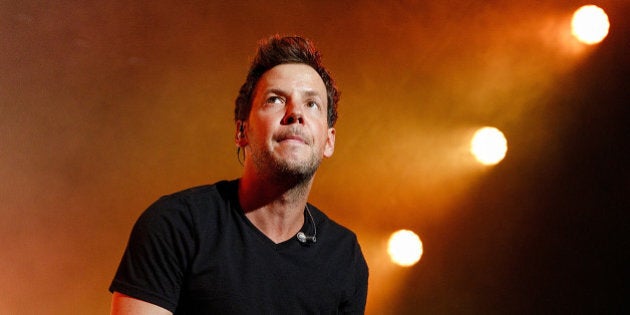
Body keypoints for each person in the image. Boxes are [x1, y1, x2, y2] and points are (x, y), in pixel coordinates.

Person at [109, 35, 369, 314]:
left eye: (312, 104)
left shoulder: (344, 256)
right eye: (276, 100)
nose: (295, 113)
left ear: (329, 141)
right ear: (241, 131)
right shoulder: (174, 225)